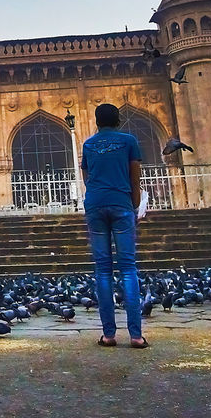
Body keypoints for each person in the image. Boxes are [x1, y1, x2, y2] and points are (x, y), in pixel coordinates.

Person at [81, 102, 146, 349]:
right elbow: (135, 175)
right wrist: (134, 205)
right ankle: (136, 336)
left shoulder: (88, 144)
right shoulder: (128, 141)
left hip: (96, 205)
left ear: (97, 121)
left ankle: (108, 335)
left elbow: (88, 178)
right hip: (121, 204)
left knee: (103, 270)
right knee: (128, 269)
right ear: (118, 120)